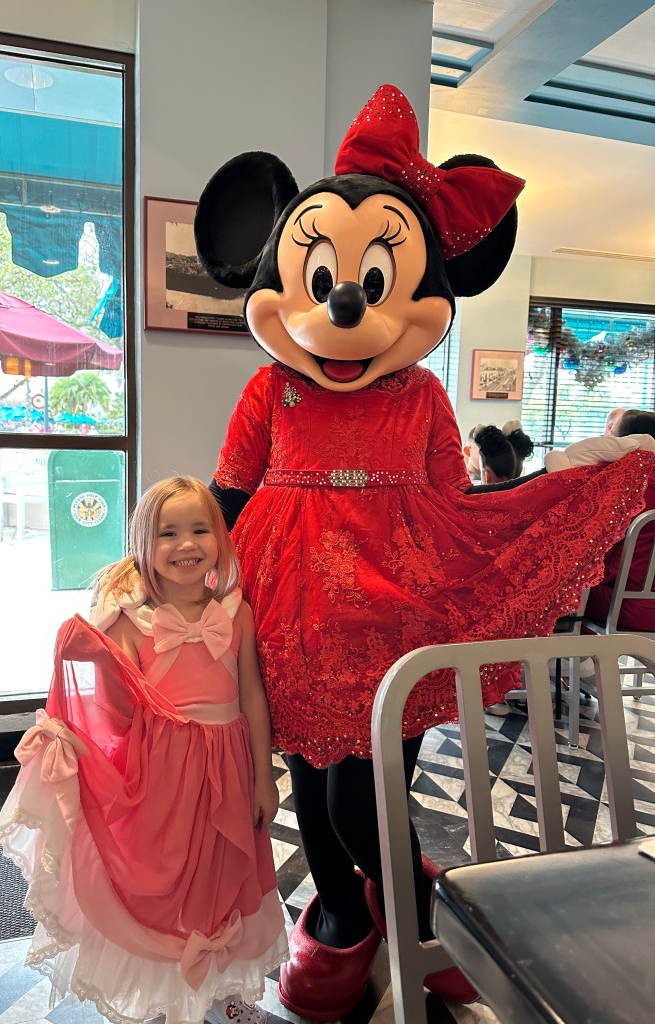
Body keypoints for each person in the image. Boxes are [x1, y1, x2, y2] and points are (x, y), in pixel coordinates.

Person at [195, 83, 653, 1018]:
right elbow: (229, 495)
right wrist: (164, 559)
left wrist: (565, 485)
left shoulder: (423, 398)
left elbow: (456, 508)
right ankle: (343, 915)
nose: (345, 304)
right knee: (312, 784)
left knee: (366, 797)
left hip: (394, 620)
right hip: (290, 620)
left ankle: (411, 909)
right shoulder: (270, 391)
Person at [0, 476, 287, 1024]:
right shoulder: (130, 623)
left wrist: (264, 777)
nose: (185, 544)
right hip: (162, 777)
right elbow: (114, 711)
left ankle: (222, 990)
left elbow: (252, 697)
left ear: (220, 538)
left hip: (228, 769)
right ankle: (162, 997)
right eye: (167, 533)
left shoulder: (237, 614)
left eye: (199, 529)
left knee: (222, 875)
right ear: (142, 545)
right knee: (163, 879)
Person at [584, 410, 655, 631]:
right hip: (645, 602)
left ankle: (584, 653)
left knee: (559, 593)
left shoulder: (626, 487)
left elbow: (596, 556)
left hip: (628, 603)